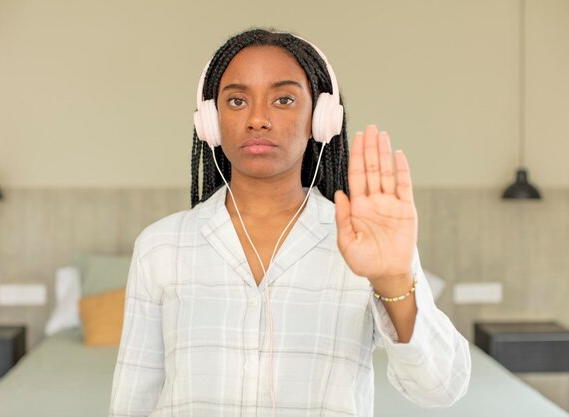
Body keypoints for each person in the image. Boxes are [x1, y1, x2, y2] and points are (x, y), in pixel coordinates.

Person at [109, 28, 471, 417]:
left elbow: (441, 388)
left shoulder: (365, 237)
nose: (258, 118)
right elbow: (134, 400)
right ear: (210, 122)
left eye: (283, 99)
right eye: (236, 100)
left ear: (321, 119)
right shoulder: (161, 246)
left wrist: (393, 280)